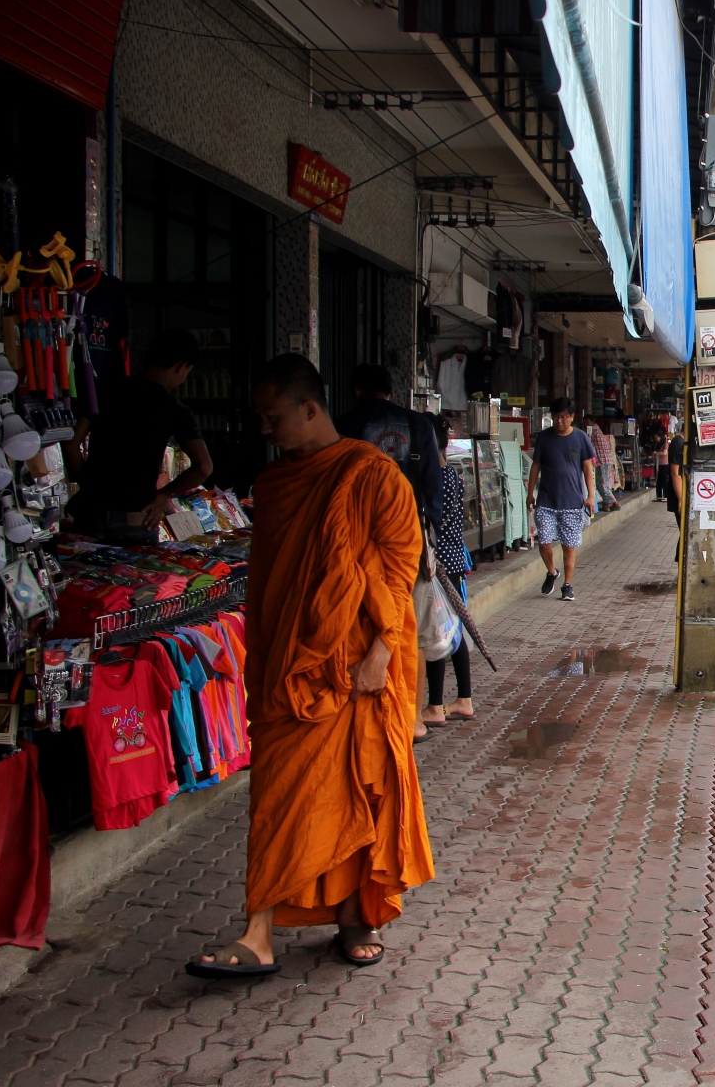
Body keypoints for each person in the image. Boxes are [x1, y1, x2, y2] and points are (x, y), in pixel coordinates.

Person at [187, 355, 433, 978]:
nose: (267, 430)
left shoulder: (372, 476)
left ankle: (355, 916)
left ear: (309, 408)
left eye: (274, 418)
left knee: (356, 789)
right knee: (276, 797)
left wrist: (380, 654)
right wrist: (263, 663)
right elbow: (271, 587)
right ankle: (258, 930)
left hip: (355, 671)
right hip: (287, 670)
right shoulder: (274, 486)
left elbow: (401, 570)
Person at [66, 328, 213, 542]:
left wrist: (89, 484)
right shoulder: (175, 409)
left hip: (90, 516)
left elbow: (71, 445)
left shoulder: (104, 390)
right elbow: (204, 467)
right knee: (134, 575)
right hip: (136, 520)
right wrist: (164, 494)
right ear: (182, 367)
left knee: (84, 575)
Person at [335, 363, 440, 516]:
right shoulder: (420, 424)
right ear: (391, 394)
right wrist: (432, 526)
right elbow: (433, 483)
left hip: (359, 520)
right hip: (408, 521)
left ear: (357, 392)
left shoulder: (343, 424)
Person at [422, 415, 473, 726]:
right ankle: (463, 698)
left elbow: (432, 521)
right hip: (454, 559)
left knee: (436, 631)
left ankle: (436, 704)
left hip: (437, 563)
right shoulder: (452, 475)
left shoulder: (433, 477)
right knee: (453, 629)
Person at [530, 396, 597, 602]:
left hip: (572, 501)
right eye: (557, 417)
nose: (560, 421)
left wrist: (591, 496)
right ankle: (552, 572)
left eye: (564, 417)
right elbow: (536, 466)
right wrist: (530, 493)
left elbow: (588, 468)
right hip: (546, 500)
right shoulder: (544, 437)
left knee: (569, 546)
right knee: (544, 541)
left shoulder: (580, 438)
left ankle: (567, 585)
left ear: (572, 417)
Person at [587, 416, 620, 511]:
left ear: (592, 421)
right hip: (607, 461)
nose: (586, 424)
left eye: (587, 421)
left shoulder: (592, 429)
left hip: (602, 461)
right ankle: (607, 505)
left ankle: (615, 503)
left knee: (602, 485)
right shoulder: (597, 429)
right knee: (606, 484)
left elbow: (589, 445)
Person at [667, 426, 686, 529]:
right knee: (684, 531)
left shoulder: (683, 442)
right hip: (678, 493)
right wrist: (680, 499)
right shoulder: (678, 442)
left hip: (683, 492)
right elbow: (675, 473)